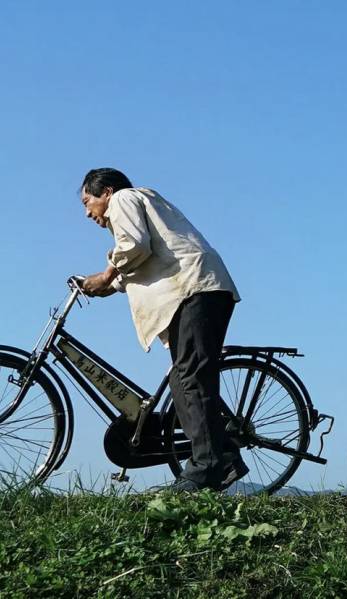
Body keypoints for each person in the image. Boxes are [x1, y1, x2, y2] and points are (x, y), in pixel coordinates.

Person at [79, 167, 247, 492]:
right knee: (182, 377)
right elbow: (143, 261)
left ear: (107, 192)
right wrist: (107, 284)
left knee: (190, 377)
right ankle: (223, 456)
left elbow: (134, 246)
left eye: (88, 201)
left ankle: (204, 468)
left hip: (195, 288)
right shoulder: (138, 204)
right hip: (194, 290)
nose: (87, 213)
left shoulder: (125, 198)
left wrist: (105, 275)